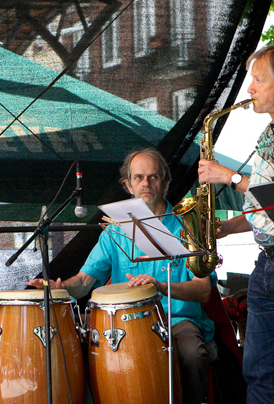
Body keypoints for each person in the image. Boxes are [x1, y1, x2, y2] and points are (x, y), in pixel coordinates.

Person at [27, 148, 217, 404]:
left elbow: (203, 289)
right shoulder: (115, 231)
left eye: (153, 177)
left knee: (192, 352)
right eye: (138, 177)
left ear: (165, 183)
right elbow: (84, 282)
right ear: (128, 185)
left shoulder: (188, 226)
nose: (146, 183)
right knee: (72, 347)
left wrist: (160, 286)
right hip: (123, 324)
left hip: (177, 320)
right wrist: (56, 289)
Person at [198, 44, 274, 403]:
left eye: (258, 80)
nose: (249, 90)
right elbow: (265, 208)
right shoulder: (269, 135)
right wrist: (228, 228)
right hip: (266, 266)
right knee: (258, 371)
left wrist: (227, 177)